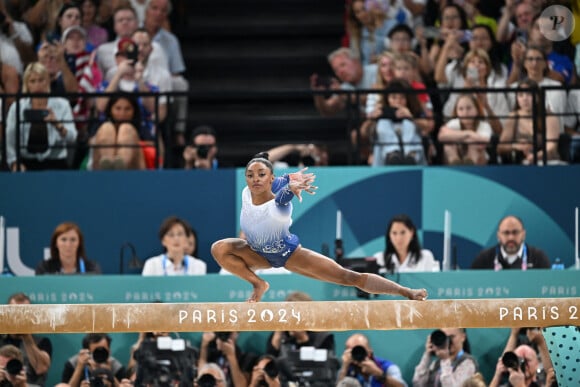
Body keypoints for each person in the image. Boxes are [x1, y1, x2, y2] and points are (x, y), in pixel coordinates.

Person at [211, 152, 428, 302]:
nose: (255, 179)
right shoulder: (247, 192)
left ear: (271, 178)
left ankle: (406, 291)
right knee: (219, 248)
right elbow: (276, 178)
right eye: (250, 175)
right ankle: (259, 284)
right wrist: (287, 177)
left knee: (348, 277)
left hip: (288, 255)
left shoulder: (279, 203)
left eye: (261, 175)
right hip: (257, 255)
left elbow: (284, 192)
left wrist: (292, 186)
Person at [5, 62, 78, 172]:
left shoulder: (62, 105)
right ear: (27, 85)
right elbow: (10, 139)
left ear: (47, 81)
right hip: (26, 163)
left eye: (41, 80)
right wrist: (15, 162)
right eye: (33, 81)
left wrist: (57, 125)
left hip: (55, 163)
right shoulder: (17, 107)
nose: (37, 85)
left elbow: (72, 137)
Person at [498, 78, 561, 165]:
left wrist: (535, 157)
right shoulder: (513, 117)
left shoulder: (549, 117)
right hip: (521, 164)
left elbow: (551, 146)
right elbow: (501, 147)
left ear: (537, 97)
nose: (525, 99)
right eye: (520, 95)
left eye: (529, 94)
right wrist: (516, 146)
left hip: (548, 162)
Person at [370, 78, 429, 166]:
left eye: (402, 97)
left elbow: (428, 127)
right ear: (387, 99)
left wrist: (411, 117)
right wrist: (371, 119)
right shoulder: (380, 112)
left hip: (414, 160)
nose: (398, 101)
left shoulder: (414, 112)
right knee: (383, 122)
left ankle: (410, 155)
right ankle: (393, 154)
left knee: (408, 123)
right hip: (385, 160)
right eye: (393, 97)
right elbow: (363, 132)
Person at [1, 293, 52, 386]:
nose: (19, 317)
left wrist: (27, 337)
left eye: (24, 312)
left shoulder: (42, 342)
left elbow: (40, 369)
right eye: (15, 312)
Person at [310, 47, 377, 117]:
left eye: (343, 65)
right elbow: (328, 110)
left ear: (356, 61)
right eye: (336, 70)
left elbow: (376, 100)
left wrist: (343, 94)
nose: (340, 72)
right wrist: (318, 95)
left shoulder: (376, 71)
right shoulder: (345, 87)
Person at [266, 292, 335, 358]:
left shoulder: (323, 337)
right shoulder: (282, 334)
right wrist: (278, 335)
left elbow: (325, 365)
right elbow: (270, 363)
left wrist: (303, 340)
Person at [471, 215, 551, 270]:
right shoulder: (484, 259)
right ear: (498, 236)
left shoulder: (538, 258)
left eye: (515, 232)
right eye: (506, 233)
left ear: (523, 234)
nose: (511, 237)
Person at [91, 94, 147, 170]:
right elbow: (89, 142)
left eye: (127, 109)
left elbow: (156, 148)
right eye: (118, 108)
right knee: (107, 127)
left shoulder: (142, 127)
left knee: (126, 128)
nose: (122, 113)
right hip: (99, 170)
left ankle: (120, 166)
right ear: (110, 109)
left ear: (134, 110)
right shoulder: (100, 125)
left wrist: (126, 140)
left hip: (132, 170)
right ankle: (108, 165)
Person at [438, 93, 492, 165]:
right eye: (460, 109)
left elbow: (485, 141)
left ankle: (470, 166)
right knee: (449, 145)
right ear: (456, 112)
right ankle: (455, 165)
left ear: (477, 110)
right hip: (457, 159)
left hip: (479, 163)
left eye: (469, 108)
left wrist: (457, 137)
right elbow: (441, 136)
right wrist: (468, 134)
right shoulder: (454, 123)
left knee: (475, 145)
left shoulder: (484, 125)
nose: (465, 113)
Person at [141, 216, 207, 276]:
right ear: (163, 241)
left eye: (180, 234)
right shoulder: (152, 264)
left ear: (187, 239)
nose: (176, 238)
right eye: (171, 235)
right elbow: (145, 288)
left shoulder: (198, 265)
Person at [373, 214, 439, 273]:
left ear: (411, 233)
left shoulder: (425, 257)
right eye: (394, 233)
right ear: (389, 235)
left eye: (403, 232)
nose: (398, 238)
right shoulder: (379, 259)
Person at [412, 328, 478, 386]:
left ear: (463, 337)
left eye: (451, 337)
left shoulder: (468, 363)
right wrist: (427, 355)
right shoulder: (436, 364)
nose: (448, 341)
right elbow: (418, 384)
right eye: (445, 337)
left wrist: (445, 360)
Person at [337, 333, 407, 387]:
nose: (357, 354)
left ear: (370, 351)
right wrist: (344, 367)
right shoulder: (347, 370)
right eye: (353, 351)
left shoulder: (387, 367)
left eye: (360, 350)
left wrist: (379, 374)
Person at [35, 222, 101, 275]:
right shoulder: (45, 268)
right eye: (63, 240)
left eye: (73, 240)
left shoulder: (91, 268)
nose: (68, 245)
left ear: (79, 243)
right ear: (56, 243)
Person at [61, 333, 126, 387]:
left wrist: (110, 374)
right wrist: (79, 367)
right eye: (96, 352)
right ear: (87, 352)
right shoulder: (73, 364)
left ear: (109, 351)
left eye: (103, 351)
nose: (100, 355)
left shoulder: (116, 367)